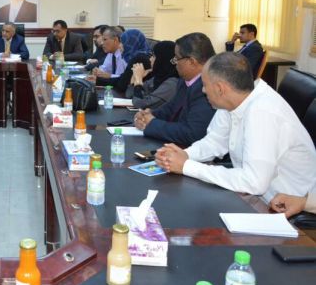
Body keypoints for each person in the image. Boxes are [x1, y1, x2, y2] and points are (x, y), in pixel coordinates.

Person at [155, 52, 316, 202]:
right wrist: (184, 155)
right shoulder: (234, 100)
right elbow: (215, 142)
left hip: (282, 208)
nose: (203, 90)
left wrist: (187, 166)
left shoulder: (262, 112)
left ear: (220, 89)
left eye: (204, 85)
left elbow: (254, 182)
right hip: (252, 196)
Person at [134, 32, 216, 147]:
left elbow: (192, 133)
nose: (175, 63)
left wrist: (152, 123)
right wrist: (148, 114)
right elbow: (171, 108)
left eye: (176, 58)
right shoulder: (185, 81)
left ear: (191, 62)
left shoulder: (207, 87)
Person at [126, 40, 179, 109]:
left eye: (154, 56)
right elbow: (129, 95)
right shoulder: (158, 77)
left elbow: (140, 104)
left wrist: (138, 80)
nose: (150, 59)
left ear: (162, 59)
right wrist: (135, 76)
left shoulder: (172, 84)